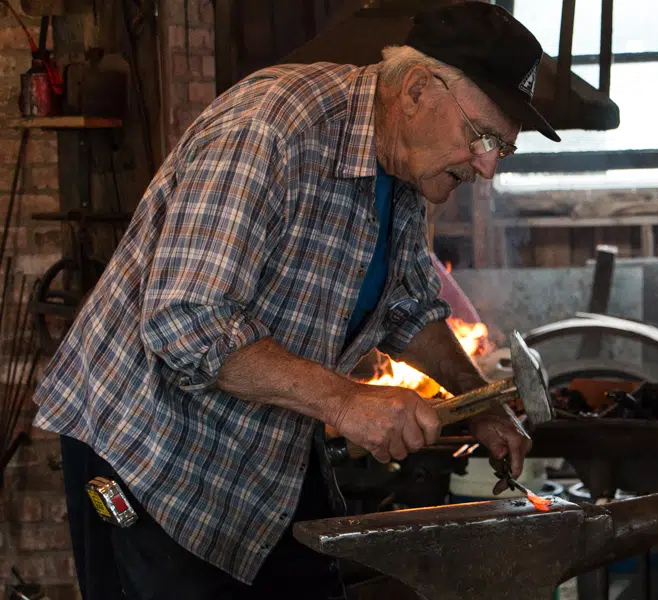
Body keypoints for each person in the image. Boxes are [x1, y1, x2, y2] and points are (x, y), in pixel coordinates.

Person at [32, 2, 560, 598]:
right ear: (416, 91)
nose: (488, 166)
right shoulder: (270, 128)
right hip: (144, 451)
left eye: (503, 149)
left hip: (259, 446)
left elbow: (409, 306)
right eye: (481, 137)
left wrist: (477, 402)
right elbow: (187, 322)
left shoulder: (405, 167)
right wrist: (346, 402)